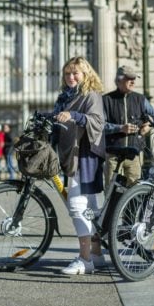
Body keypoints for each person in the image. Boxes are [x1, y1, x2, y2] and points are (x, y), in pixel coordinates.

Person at [51, 56, 106, 275]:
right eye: (67, 74)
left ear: (85, 75)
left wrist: (73, 115)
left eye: (75, 73)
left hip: (85, 154)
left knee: (76, 206)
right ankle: (97, 253)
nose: (71, 77)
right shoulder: (63, 97)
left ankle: (85, 260)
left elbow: (96, 121)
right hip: (70, 153)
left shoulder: (91, 95)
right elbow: (58, 119)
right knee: (90, 206)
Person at [103, 66, 154, 187]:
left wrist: (148, 126)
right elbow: (99, 126)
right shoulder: (106, 100)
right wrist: (120, 128)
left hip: (133, 154)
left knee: (134, 191)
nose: (133, 81)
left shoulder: (140, 99)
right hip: (113, 154)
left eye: (134, 78)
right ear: (118, 81)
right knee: (111, 192)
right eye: (129, 79)